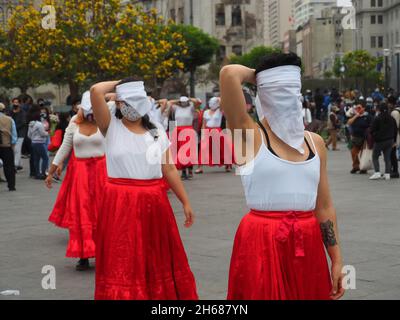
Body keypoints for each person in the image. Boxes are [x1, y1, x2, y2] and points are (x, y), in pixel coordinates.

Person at [220, 52, 344, 300]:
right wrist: (261, 77)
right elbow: (228, 74)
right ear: (264, 94)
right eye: (280, 91)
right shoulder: (248, 136)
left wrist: (336, 259)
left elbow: (325, 206)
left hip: (307, 241)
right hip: (261, 240)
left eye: (293, 91)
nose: (289, 99)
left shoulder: (315, 143)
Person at [90, 79, 198, 300]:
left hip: (153, 201)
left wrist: (185, 201)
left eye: (138, 101)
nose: (133, 107)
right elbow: (95, 91)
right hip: (120, 202)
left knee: (155, 256)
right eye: (128, 102)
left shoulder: (156, 130)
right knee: (124, 257)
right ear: (118, 103)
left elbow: (168, 168)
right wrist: (122, 84)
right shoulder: (110, 126)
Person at [45, 92, 106, 271]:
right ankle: (83, 255)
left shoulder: (105, 122)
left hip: (102, 173)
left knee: (102, 213)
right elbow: (65, 146)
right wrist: (50, 171)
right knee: (81, 213)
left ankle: (103, 251)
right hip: (80, 175)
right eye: (88, 109)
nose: (91, 114)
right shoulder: (73, 123)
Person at [196, 97, 233, 174]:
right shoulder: (206, 112)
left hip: (217, 131)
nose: (211, 104)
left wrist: (219, 99)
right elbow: (203, 124)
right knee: (203, 149)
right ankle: (200, 167)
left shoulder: (220, 111)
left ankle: (228, 165)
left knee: (223, 148)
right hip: (207, 131)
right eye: (211, 102)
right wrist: (203, 133)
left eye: (213, 102)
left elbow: (224, 104)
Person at [169, 96, 202, 180]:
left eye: (185, 102)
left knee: (188, 151)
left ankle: (190, 169)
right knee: (180, 151)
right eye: (182, 102)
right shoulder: (176, 107)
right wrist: (178, 100)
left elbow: (198, 102)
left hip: (188, 129)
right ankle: (183, 172)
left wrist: (189, 99)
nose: (183, 103)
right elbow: (169, 102)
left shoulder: (191, 107)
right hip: (178, 130)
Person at [369, 104, 397, 181]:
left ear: (379, 110)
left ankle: (377, 172)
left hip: (380, 141)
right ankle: (387, 174)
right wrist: (394, 140)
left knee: (375, 156)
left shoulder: (377, 118)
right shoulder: (391, 118)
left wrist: (375, 137)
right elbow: (395, 130)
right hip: (390, 140)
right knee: (387, 158)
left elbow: (372, 130)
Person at [347, 104, 372, 174]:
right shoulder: (355, 116)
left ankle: (363, 168)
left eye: (359, 108)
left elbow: (371, 125)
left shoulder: (368, 116)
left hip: (364, 138)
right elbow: (349, 122)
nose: (358, 109)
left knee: (362, 153)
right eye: (357, 108)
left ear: (363, 108)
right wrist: (357, 115)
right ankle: (356, 166)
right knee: (353, 152)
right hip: (355, 137)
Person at [27, 108, 49, 180]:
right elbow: (43, 134)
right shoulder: (39, 124)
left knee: (36, 159)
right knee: (45, 158)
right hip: (40, 142)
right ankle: (43, 173)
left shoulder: (31, 124)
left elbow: (29, 135)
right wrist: (47, 133)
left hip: (33, 142)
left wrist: (33, 138)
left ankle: (37, 174)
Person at [0, 103, 17, 191]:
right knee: (9, 166)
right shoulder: (9, 119)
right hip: (6, 145)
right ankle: (11, 185)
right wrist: (12, 144)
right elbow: (14, 136)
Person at [10, 98, 27, 171]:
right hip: (13, 133)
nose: (15, 104)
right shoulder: (11, 112)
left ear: (19, 103)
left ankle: (15, 165)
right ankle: (19, 164)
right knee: (15, 149)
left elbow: (23, 122)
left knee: (17, 149)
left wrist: (14, 128)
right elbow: (9, 119)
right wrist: (14, 113)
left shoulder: (22, 112)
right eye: (14, 102)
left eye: (17, 102)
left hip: (20, 133)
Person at [390, 100, 400, 179]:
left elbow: (395, 126)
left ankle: (395, 171)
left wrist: (393, 139)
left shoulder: (395, 112)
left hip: (396, 135)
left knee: (392, 153)